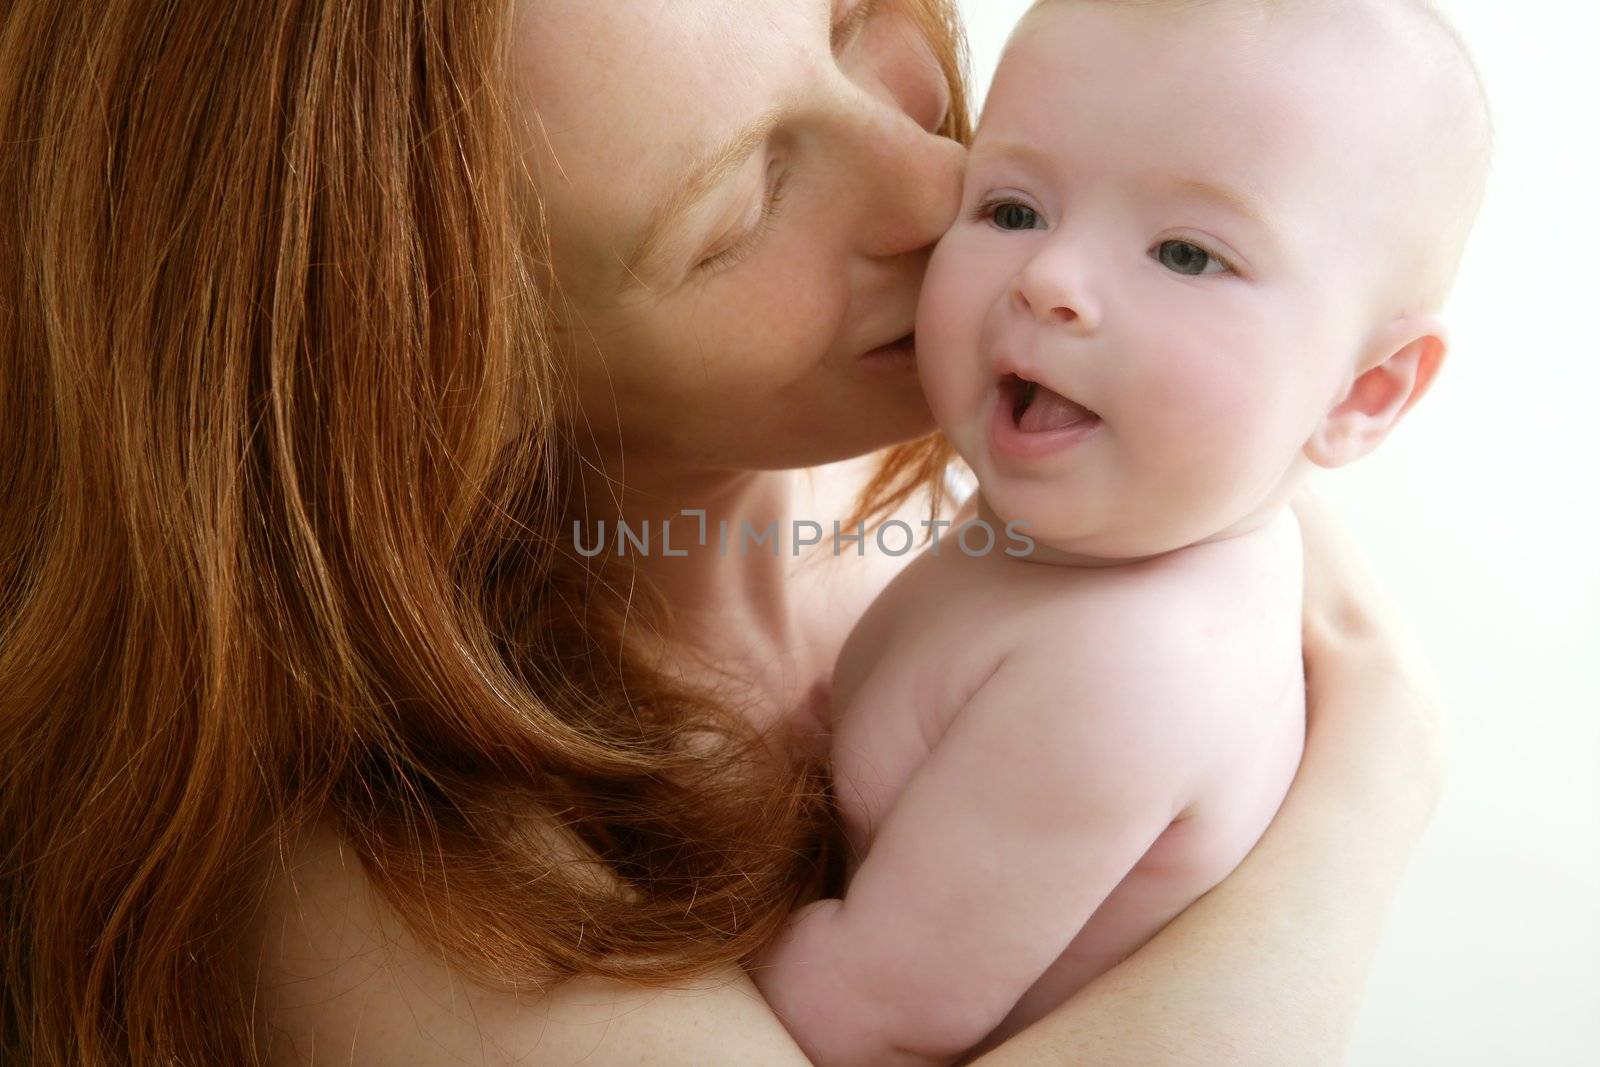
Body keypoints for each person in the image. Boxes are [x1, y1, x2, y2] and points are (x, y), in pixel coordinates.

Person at [0, 1, 1446, 1063]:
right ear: (441, 392)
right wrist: (1374, 777)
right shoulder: (390, 873)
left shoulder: (1015, 483)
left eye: (856, 19)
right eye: (750, 199)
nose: (943, 188)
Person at [751, 1, 1491, 1063]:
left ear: (1362, 389)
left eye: (1186, 253)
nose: (1048, 281)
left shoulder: (1131, 669)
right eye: (1010, 209)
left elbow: (854, 1017)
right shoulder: (1103, 525)